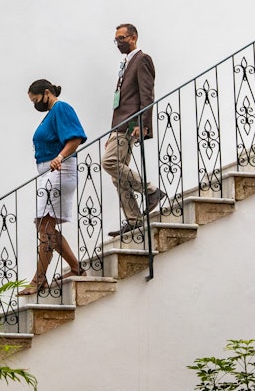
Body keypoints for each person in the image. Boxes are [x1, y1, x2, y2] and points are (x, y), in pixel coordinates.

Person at [19, 79, 88, 295]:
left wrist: (59, 156)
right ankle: (76, 268)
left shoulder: (61, 108)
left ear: (47, 93)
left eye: (36, 99)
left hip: (60, 171)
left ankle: (38, 279)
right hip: (50, 175)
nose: (35, 105)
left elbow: (75, 137)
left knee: (44, 227)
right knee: (44, 225)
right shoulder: (51, 113)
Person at [105, 23, 165, 237]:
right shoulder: (126, 63)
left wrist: (143, 124)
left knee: (109, 163)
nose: (118, 43)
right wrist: (112, 131)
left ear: (133, 37)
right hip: (120, 124)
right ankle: (134, 219)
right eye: (116, 39)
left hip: (130, 123)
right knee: (117, 175)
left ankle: (151, 191)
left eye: (121, 38)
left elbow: (147, 95)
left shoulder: (142, 59)